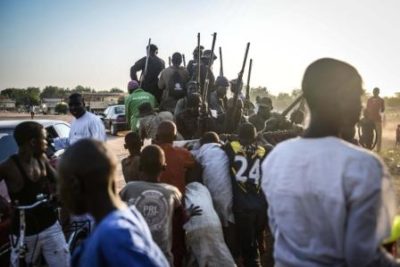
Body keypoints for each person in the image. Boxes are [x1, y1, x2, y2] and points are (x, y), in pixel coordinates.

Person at [262, 58, 399, 266]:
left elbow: (277, 228)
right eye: (356, 96)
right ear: (339, 99)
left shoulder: (276, 158)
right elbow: (362, 257)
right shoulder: (362, 165)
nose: (361, 107)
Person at [58, 139, 168, 267]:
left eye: (60, 183)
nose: (58, 193)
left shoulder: (114, 236)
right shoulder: (128, 217)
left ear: (74, 184)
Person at [0, 121, 70, 267]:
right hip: (24, 232)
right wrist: (4, 205)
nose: (47, 142)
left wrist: (58, 193)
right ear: (33, 142)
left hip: (50, 226)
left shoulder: (42, 159)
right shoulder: (7, 166)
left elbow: (58, 181)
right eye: (44, 139)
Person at [120, 145, 183, 265]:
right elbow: (181, 220)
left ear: (139, 167)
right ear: (164, 167)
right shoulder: (172, 192)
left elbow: (114, 212)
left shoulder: (129, 188)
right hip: (162, 261)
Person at [223, 123, 273, 267]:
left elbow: (220, 143)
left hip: (243, 208)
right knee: (255, 244)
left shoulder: (232, 147)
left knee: (250, 253)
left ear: (239, 136)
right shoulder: (262, 150)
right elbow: (269, 147)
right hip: (261, 207)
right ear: (255, 136)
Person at [366, 87, 385, 152]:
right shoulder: (369, 100)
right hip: (370, 120)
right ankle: (369, 148)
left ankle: (378, 150)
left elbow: (382, 110)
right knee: (369, 134)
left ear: (378, 92)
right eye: (374, 91)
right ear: (373, 92)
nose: (375, 92)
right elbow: (367, 109)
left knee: (379, 135)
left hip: (377, 119)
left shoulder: (381, 100)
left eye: (376, 91)